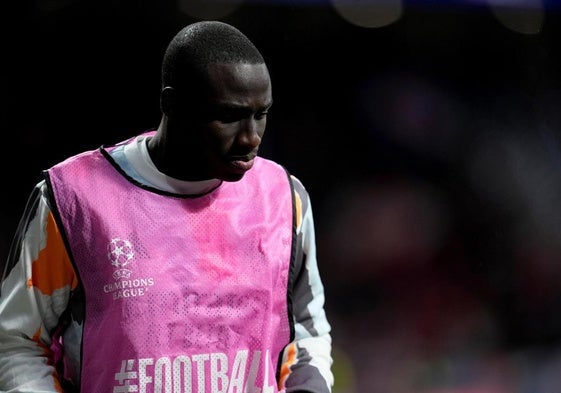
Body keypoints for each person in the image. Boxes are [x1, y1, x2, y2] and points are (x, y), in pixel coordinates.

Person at [0, 21, 334, 392]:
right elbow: (17, 342)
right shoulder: (73, 199)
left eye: (261, 114)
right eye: (228, 116)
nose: (250, 137)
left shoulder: (283, 199)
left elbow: (305, 328)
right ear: (172, 104)